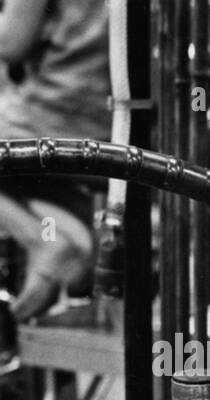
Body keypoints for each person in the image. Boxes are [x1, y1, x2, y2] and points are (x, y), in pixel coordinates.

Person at [0, 0, 110, 321]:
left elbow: (11, 42)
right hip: (118, 124)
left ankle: (44, 241)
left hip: (59, 114)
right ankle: (67, 240)